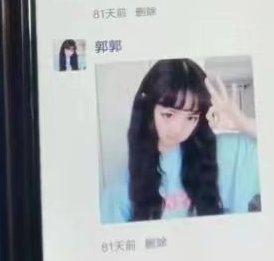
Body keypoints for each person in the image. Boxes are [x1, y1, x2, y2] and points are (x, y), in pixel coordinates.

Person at [101, 58, 259, 222]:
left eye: (191, 117)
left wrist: (243, 123)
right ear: (148, 108)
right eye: (168, 115)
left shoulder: (225, 152)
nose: (178, 129)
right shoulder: (125, 180)